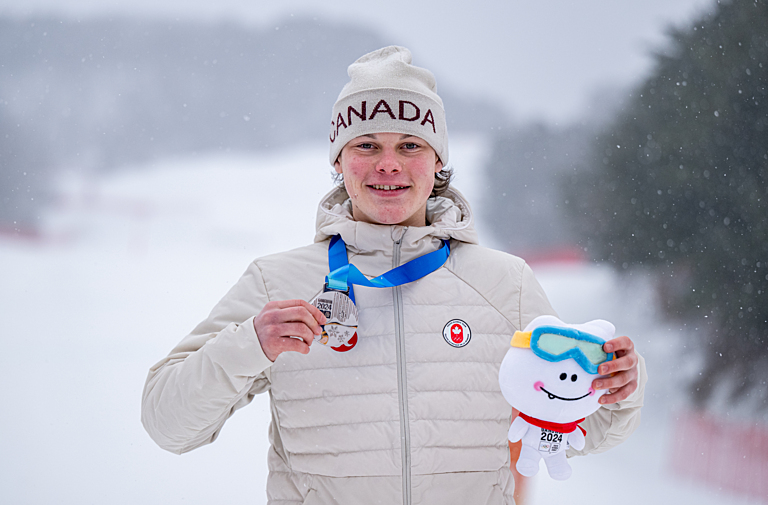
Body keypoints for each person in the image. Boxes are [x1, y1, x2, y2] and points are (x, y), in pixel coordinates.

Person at [141, 46, 646, 505]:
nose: (388, 165)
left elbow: (576, 427)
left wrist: (621, 387)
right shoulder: (278, 283)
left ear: (438, 161)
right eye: (366, 146)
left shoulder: (504, 283)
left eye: (410, 145)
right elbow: (168, 425)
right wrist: (249, 343)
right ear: (339, 160)